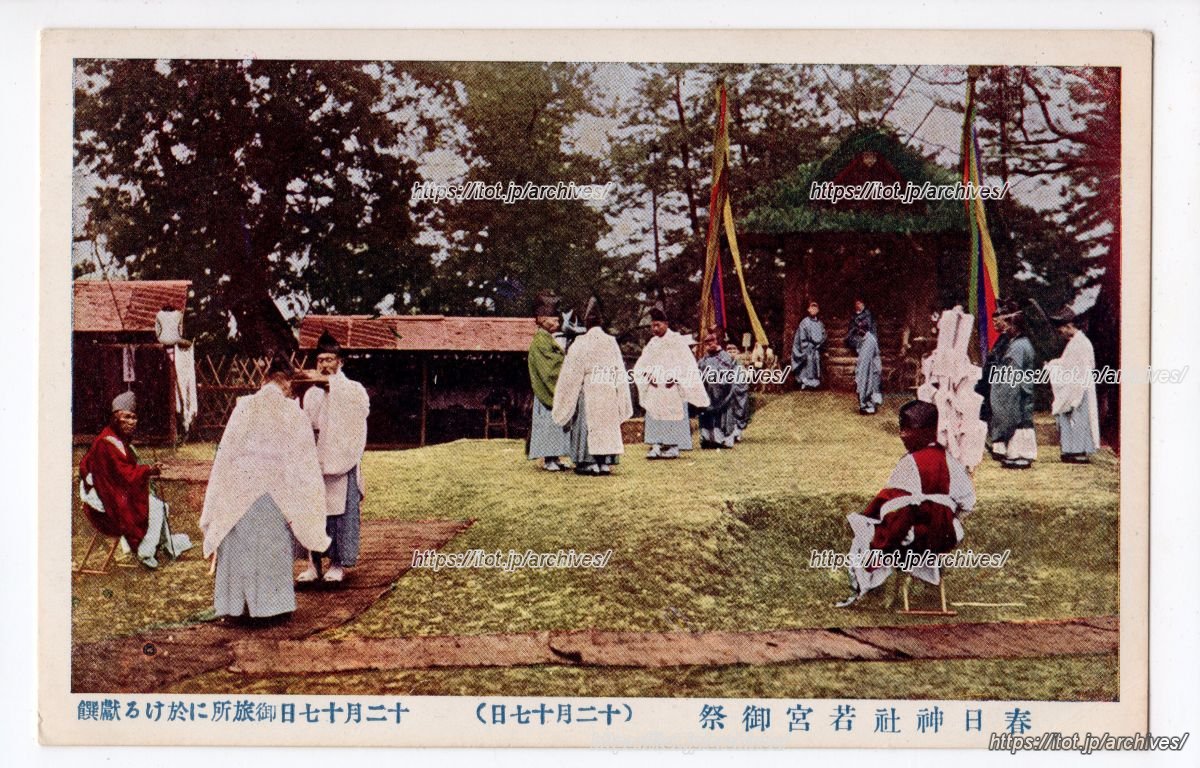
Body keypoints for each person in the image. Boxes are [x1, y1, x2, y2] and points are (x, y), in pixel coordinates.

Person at [200, 358, 331, 620]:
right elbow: (303, 460)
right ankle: (272, 608)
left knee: (239, 542)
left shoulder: (243, 407)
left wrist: (220, 492)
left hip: (241, 485)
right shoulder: (293, 413)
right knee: (269, 545)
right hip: (274, 489)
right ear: (287, 384)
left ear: (264, 380)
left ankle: (236, 607)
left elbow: (226, 452)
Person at [836, 400, 976, 607]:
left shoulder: (908, 464)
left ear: (926, 432)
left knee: (865, 530)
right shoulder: (951, 462)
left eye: (907, 429)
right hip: (944, 537)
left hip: (911, 536)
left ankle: (867, 587)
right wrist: (944, 516)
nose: (902, 434)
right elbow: (968, 503)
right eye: (901, 428)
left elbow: (892, 506)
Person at [78, 392, 193, 569]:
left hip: (112, 494)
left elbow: (122, 474)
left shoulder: (117, 440)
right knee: (155, 507)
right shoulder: (106, 443)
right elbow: (124, 475)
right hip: (106, 504)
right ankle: (145, 553)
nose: (132, 422)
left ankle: (164, 546)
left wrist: (147, 470)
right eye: (127, 417)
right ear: (116, 418)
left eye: (134, 418)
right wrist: (148, 470)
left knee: (158, 505)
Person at [296, 332, 370, 584]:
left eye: (330, 359)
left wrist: (333, 389)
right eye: (320, 360)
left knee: (339, 513)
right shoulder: (311, 394)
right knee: (313, 511)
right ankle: (313, 563)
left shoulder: (353, 389)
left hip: (341, 458)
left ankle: (337, 563)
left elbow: (358, 415)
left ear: (341, 362)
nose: (325, 365)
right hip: (315, 460)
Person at [552, 300, 633, 475]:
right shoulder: (611, 342)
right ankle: (603, 461)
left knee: (587, 424)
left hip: (590, 391)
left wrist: (568, 394)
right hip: (608, 391)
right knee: (606, 425)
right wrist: (620, 395)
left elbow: (571, 374)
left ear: (586, 323)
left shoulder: (581, 342)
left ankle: (587, 461)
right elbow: (619, 371)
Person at [633, 308, 709, 459]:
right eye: (653, 325)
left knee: (672, 414)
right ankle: (656, 445)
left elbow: (687, 363)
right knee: (654, 414)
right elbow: (642, 365)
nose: (655, 329)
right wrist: (648, 377)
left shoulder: (676, 341)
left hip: (671, 387)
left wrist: (675, 377)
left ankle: (673, 446)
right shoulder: (652, 343)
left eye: (658, 325)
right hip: (655, 387)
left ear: (666, 324)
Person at [1045, 309, 1100, 463]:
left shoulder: (1080, 344)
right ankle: (1070, 450)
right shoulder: (1075, 343)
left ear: (1069, 326)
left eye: (1061, 328)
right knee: (1071, 419)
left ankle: (1078, 450)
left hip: (1079, 389)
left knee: (1079, 420)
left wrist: (1054, 368)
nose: (1060, 332)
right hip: (1074, 386)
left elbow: (1077, 369)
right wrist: (1053, 365)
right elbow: (1066, 364)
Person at [988, 310, 1038, 468]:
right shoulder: (1021, 343)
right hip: (1022, 389)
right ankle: (1018, 454)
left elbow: (1011, 374)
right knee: (1022, 421)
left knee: (1019, 421)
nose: (1005, 327)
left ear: (1015, 326)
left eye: (1008, 324)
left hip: (1018, 391)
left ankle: (1020, 455)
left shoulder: (1018, 346)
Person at [527, 296, 571, 471]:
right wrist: (566, 364)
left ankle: (556, 457)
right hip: (547, 390)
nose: (557, 321)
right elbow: (549, 367)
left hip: (553, 389)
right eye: (554, 318)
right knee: (548, 425)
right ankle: (549, 459)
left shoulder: (548, 338)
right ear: (542, 320)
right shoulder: (540, 340)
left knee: (556, 425)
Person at [696, 332, 739, 448]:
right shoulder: (704, 358)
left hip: (721, 395)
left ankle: (720, 440)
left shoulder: (725, 357)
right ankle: (706, 438)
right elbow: (698, 370)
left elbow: (727, 373)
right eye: (706, 343)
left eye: (711, 342)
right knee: (705, 415)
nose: (709, 345)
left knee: (720, 417)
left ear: (717, 342)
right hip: (706, 394)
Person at [850, 313, 883, 415]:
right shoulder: (864, 339)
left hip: (871, 368)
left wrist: (859, 371)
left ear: (864, 330)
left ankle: (870, 407)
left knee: (870, 386)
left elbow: (866, 358)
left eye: (860, 329)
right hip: (867, 367)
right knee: (865, 385)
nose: (858, 331)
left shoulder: (870, 340)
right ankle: (865, 405)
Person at [790, 301, 826, 389]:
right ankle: (805, 381)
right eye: (812, 308)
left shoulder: (820, 323)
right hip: (806, 347)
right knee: (809, 358)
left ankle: (815, 382)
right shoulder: (804, 322)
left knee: (816, 357)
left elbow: (824, 335)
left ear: (818, 310)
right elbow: (801, 338)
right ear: (808, 310)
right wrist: (808, 345)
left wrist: (819, 344)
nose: (813, 310)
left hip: (816, 348)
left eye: (815, 308)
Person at [726, 343, 752, 440]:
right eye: (729, 352)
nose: (732, 354)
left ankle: (738, 431)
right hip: (729, 394)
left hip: (740, 393)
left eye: (734, 351)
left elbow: (747, 378)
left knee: (739, 411)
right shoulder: (725, 365)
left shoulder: (740, 366)